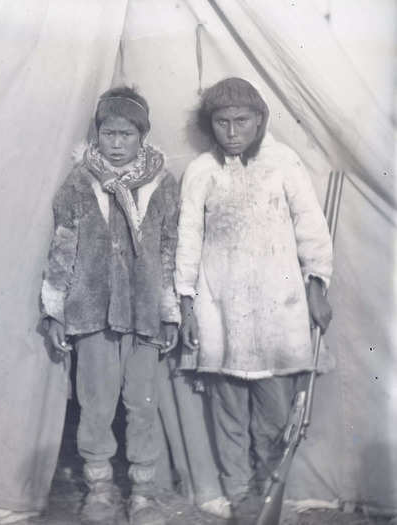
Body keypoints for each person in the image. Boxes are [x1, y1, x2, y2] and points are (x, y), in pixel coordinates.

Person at [175, 77, 333, 523]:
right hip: (219, 308)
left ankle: (268, 493)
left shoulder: (284, 163)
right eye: (221, 122)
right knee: (228, 412)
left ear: (260, 120)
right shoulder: (202, 170)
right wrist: (186, 304)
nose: (231, 131)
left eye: (241, 121)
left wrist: (317, 285)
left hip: (277, 308)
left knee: (276, 413)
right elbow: (188, 238)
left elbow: (311, 227)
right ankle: (240, 493)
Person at [41, 86, 180, 525]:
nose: (116, 143)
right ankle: (99, 487)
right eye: (108, 133)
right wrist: (55, 308)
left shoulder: (162, 184)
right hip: (92, 311)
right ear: (97, 133)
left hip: (143, 313)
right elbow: (63, 246)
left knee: (141, 403)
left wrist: (170, 310)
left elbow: (169, 249)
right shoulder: (81, 182)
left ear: (143, 136)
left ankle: (142, 493)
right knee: (96, 403)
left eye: (126, 134)